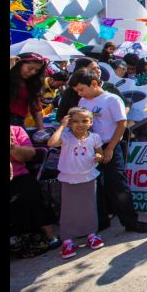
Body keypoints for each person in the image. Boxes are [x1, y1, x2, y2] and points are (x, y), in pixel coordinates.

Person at [70, 69, 147, 233]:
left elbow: (121, 125)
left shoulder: (112, 99)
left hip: (111, 147)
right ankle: (99, 222)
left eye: (81, 89)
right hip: (90, 149)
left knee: (118, 186)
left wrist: (110, 149)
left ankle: (130, 222)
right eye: (77, 91)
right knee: (94, 188)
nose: (80, 93)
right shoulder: (83, 102)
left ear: (93, 83)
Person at [47, 108, 104, 259]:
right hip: (69, 179)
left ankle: (91, 235)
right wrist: (61, 126)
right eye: (75, 121)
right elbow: (51, 143)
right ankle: (67, 241)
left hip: (88, 177)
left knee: (89, 208)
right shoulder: (65, 137)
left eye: (84, 121)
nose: (80, 124)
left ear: (91, 122)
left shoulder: (95, 137)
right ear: (70, 123)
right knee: (68, 210)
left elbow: (100, 152)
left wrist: (99, 155)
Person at [10, 125, 61, 257]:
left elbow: (29, 155)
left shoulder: (15, 130)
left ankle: (50, 235)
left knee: (29, 191)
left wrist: (12, 147)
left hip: (18, 176)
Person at [56, 58, 129, 122]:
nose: (98, 71)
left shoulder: (109, 87)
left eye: (98, 68)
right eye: (93, 69)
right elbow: (60, 116)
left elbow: (126, 105)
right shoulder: (70, 93)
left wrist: (119, 116)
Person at [10, 53, 47, 133]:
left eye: (37, 70)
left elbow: (36, 109)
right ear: (19, 65)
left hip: (19, 124)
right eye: (29, 68)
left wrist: (41, 130)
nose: (33, 72)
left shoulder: (32, 84)